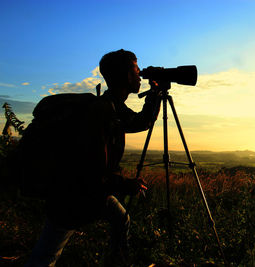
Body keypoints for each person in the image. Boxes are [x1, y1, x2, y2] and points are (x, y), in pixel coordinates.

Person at [25, 49, 161, 266]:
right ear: (127, 76)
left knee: (121, 218)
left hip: (84, 193)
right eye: (136, 70)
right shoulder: (101, 112)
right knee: (46, 255)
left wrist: (155, 95)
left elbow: (140, 122)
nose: (140, 75)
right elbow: (93, 172)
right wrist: (127, 185)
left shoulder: (111, 106)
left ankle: (118, 261)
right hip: (72, 196)